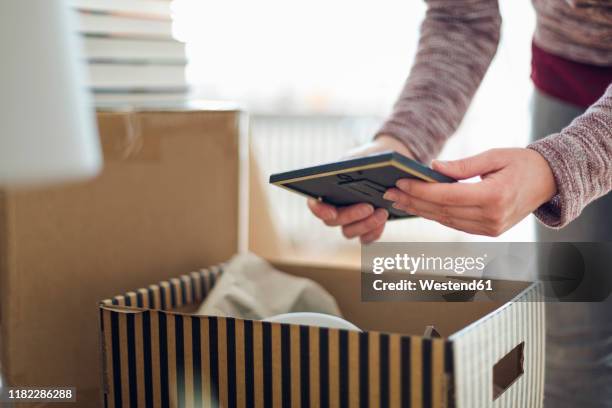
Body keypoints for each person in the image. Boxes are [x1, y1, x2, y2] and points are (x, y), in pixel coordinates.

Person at [307, 1, 612, 406]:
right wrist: (400, 143)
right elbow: (460, 17)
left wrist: (557, 167)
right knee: (572, 338)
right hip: (568, 79)